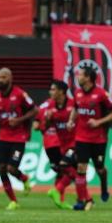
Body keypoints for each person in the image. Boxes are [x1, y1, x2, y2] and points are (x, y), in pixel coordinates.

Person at [67, 66, 112, 210]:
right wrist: (71, 121)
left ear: (88, 78)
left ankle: (104, 186)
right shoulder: (77, 93)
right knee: (81, 167)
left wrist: (98, 122)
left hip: (98, 139)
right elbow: (75, 109)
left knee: (100, 169)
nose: (78, 77)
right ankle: (81, 200)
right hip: (81, 137)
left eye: (81, 75)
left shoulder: (101, 94)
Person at [0, 68, 37, 210]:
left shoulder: (20, 94)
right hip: (3, 137)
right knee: (2, 169)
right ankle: (13, 201)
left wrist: (19, 120)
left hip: (19, 138)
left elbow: (35, 110)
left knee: (11, 168)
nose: (0, 80)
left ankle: (24, 179)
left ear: (10, 78)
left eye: (3, 77)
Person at [44, 80, 76, 210]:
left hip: (77, 142)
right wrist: (47, 119)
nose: (50, 92)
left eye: (53, 89)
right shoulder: (50, 105)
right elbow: (46, 127)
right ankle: (61, 198)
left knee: (69, 168)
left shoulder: (73, 104)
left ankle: (57, 190)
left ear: (61, 92)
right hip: (62, 145)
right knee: (70, 172)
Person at [33, 98, 62, 197]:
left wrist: (42, 126)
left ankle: (58, 195)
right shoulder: (66, 104)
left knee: (60, 169)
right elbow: (35, 126)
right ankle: (58, 193)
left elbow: (35, 126)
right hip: (60, 143)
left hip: (49, 144)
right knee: (69, 170)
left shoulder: (42, 106)